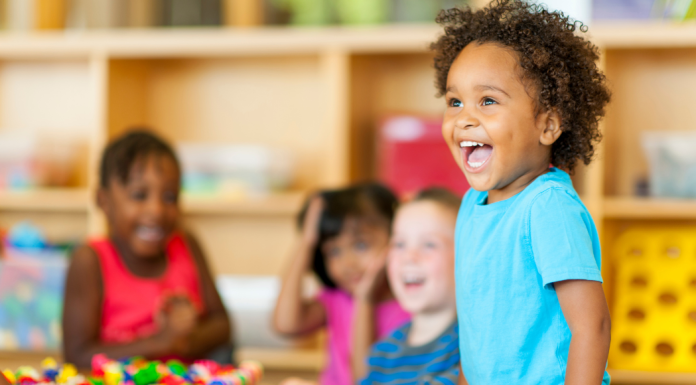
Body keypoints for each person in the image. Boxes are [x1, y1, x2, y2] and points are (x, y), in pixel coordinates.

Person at [431, 1, 613, 384]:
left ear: (548, 125)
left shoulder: (547, 207)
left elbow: (591, 326)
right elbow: (478, 330)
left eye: (488, 101)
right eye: (455, 102)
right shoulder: (472, 205)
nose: (465, 117)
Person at [63, 130, 231, 368]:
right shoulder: (89, 261)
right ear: (104, 202)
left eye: (170, 197)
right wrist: (161, 342)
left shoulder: (187, 246)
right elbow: (78, 355)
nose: (157, 210)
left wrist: (187, 336)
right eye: (139, 195)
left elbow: (223, 325)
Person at [273, 183, 409, 385]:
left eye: (361, 245)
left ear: (396, 238)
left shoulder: (411, 308)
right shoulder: (335, 300)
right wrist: (306, 242)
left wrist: (365, 299)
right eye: (333, 251)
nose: (347, 264)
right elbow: (285, 324)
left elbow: (364, 380)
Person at [360, 188, 461, 385]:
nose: (409, 257)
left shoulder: (470, 347)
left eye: (429, 244)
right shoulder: (383, 352)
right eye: (399, 244)